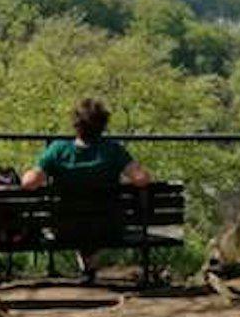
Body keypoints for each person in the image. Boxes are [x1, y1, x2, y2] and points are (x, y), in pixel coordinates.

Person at [23, 97, 151, 283]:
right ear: (103, 125)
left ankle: (87, 262)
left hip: (65, 229)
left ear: (76, 125)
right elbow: (141, 179)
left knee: (79, 220)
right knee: (94, 220)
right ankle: (90, 261)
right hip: (108, 227)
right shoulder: (113, 150)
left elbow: (29, 183)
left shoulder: (58, 150)